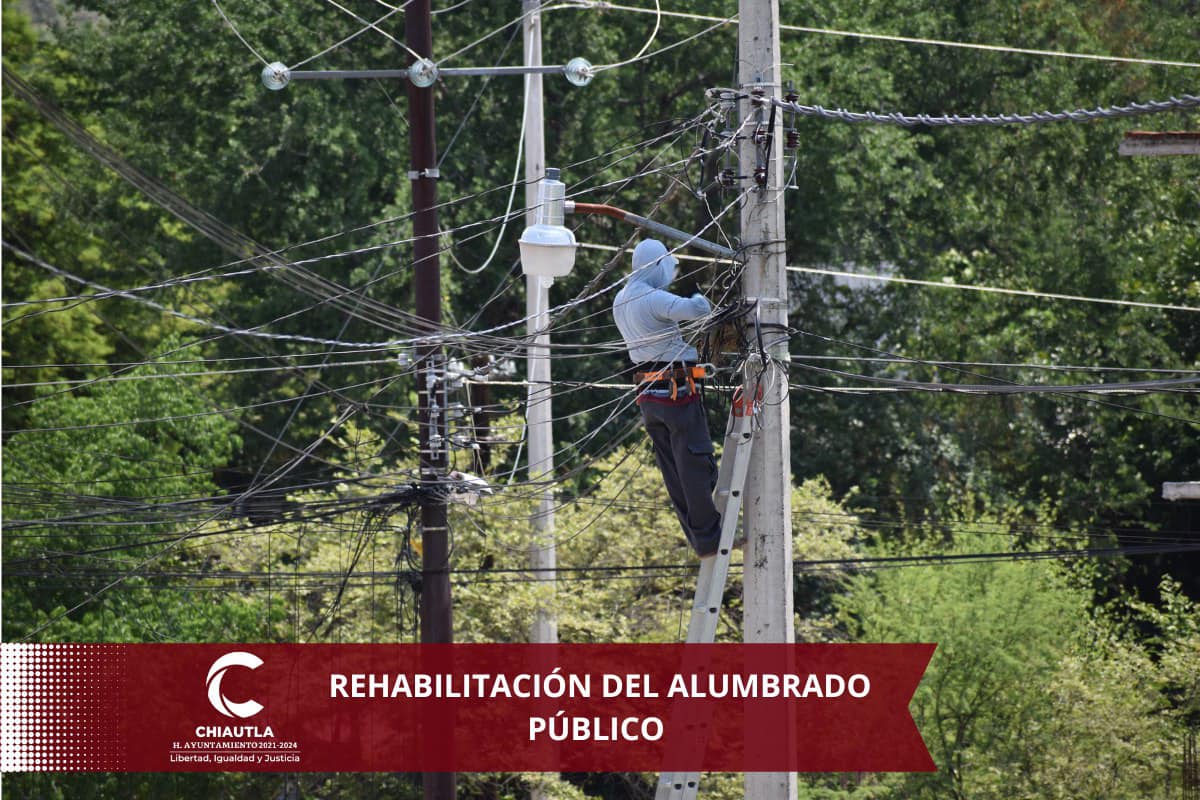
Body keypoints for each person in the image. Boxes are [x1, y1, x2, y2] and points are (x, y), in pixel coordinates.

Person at [613, 239, 722, 557]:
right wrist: (703, 297)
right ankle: (710, 540)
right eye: (668, 266)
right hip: (676, 395)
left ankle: (698, 540)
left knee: (673, 472)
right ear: (656, 265)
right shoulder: (652, 298)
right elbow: (696, 310)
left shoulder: (620, 300)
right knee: (695, 465)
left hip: (650, 400)